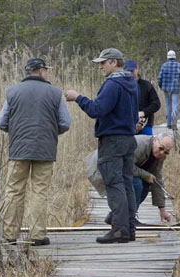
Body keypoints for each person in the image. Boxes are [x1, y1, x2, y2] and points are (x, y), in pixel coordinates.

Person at [65, 48, 138, 244]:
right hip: (128, 139)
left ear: (114, 62)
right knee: (126, 184)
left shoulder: (113, 84)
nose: (100, 66)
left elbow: (97, 109)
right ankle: (129, 229)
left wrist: (78, 97)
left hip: (112, 141)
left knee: (114, 184)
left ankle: (119, 230)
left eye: (103, 63)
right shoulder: (131, 83)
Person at [0, 57, 71, 246]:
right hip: (45, 149)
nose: (47, 73)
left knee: (13, 191)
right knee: (39, 192)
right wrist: (51, 132)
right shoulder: (55, 93)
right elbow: (65, 123)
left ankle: (9, 235)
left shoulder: (12, 92)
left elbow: (1, 122)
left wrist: (15, 132)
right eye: (46, 70)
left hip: (18, 149)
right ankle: (37, 235)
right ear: (41, 71)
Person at [88, 133, 174, 225]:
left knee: (145, 184)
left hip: (120, 168)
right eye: (161, 148)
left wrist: (162, 209)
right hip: (103, 166)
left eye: (166, 152)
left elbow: (157, 180)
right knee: (136, 184)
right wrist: (145, 174)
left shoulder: (160, 156)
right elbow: (125, 165)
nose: (162, 153)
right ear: (155, 140)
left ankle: (116, 216)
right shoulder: (139, 145)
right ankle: (127, 218)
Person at [124, 59, 161, 136]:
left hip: (146, 125)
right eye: (128, 71)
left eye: (132, 71)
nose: (130, 73)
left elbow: (156, 104)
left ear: (137, 70)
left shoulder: (147, 85)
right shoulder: (121, 87)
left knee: (148, 147)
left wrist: (143, 113)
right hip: (127, 127)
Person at [157, 50, 180, 131]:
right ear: (175, 57)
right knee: (175, 105)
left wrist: (161, 87)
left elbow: (159, 78)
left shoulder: (164, 66)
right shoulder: (179, 66)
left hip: (166, 89)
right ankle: (174, 124)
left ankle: (168, 124)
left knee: (168, 106)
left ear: (167, 57)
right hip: (176, 89)